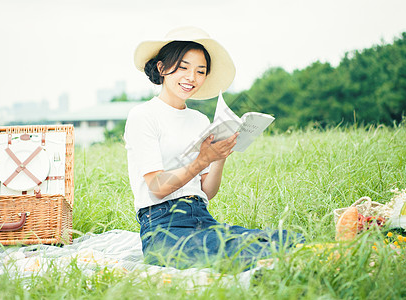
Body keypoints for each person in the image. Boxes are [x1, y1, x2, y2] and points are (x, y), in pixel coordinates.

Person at [124, 26, 303, 269]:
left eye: (200, 71)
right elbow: (156, 187)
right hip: (162, 227)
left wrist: (220, 156)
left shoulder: (200, 120)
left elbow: (206, 191)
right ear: (162, 68)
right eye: (183, 67)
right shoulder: (143, 115)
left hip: (202, 218)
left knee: (289, 239)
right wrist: (201, 160)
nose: (191, 78)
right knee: (249, 250)